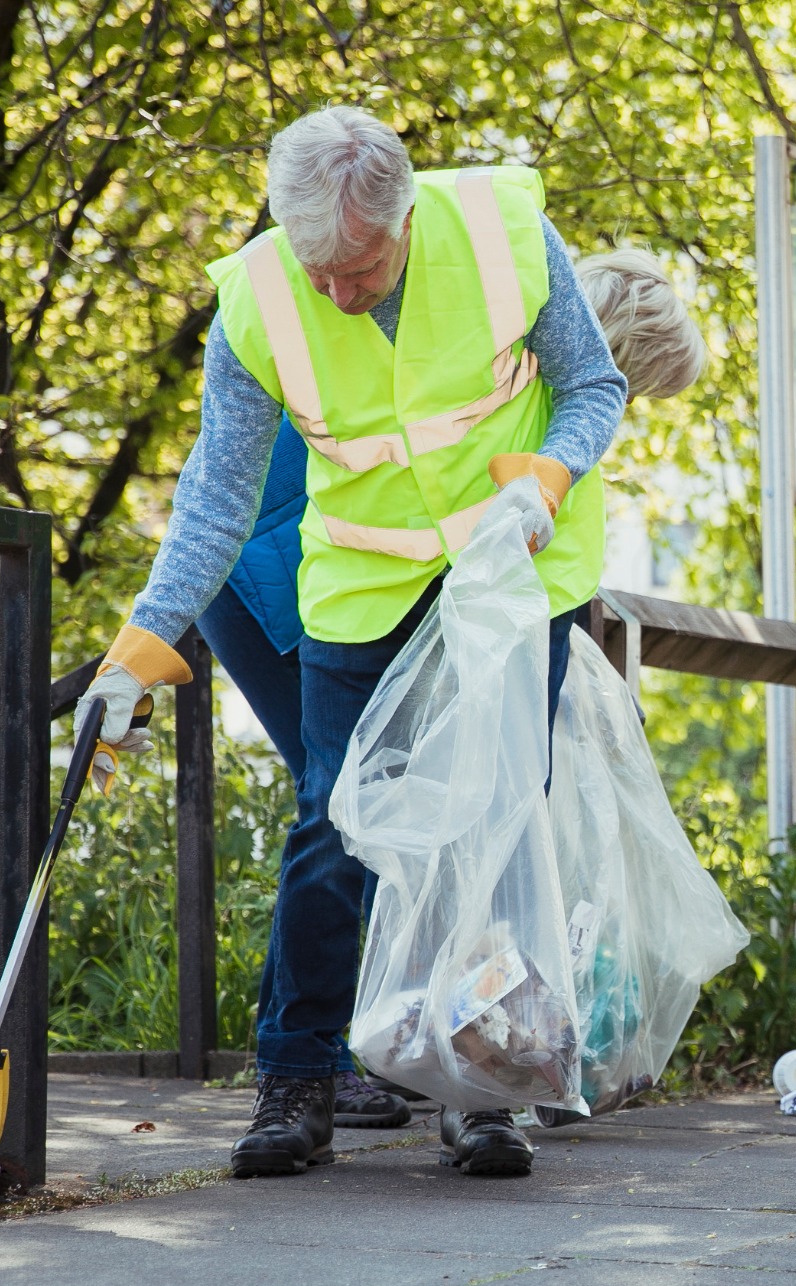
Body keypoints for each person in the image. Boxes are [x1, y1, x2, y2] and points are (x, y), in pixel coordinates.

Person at [83, 107, 628, 1182]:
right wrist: (141, 642)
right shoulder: (255, 297)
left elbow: (593, 386)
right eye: (315, 266)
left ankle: (481, 1091)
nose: (336, 289)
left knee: (496, 821)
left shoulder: (507, 229)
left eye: (360, 265)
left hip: (513, 567)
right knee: (335, 814)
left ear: (405, 217)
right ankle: (295, 1079)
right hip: (363, 579)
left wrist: (548, 482)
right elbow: (219, 492)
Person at [199, 248, 709, 1133]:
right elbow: (286, 519)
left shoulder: (516, 381)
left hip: (338, 590)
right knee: (353, 815)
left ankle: (450, 1056)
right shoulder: (481, 379)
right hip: (282, 590)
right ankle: (329, 1060)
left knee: (425, 824)